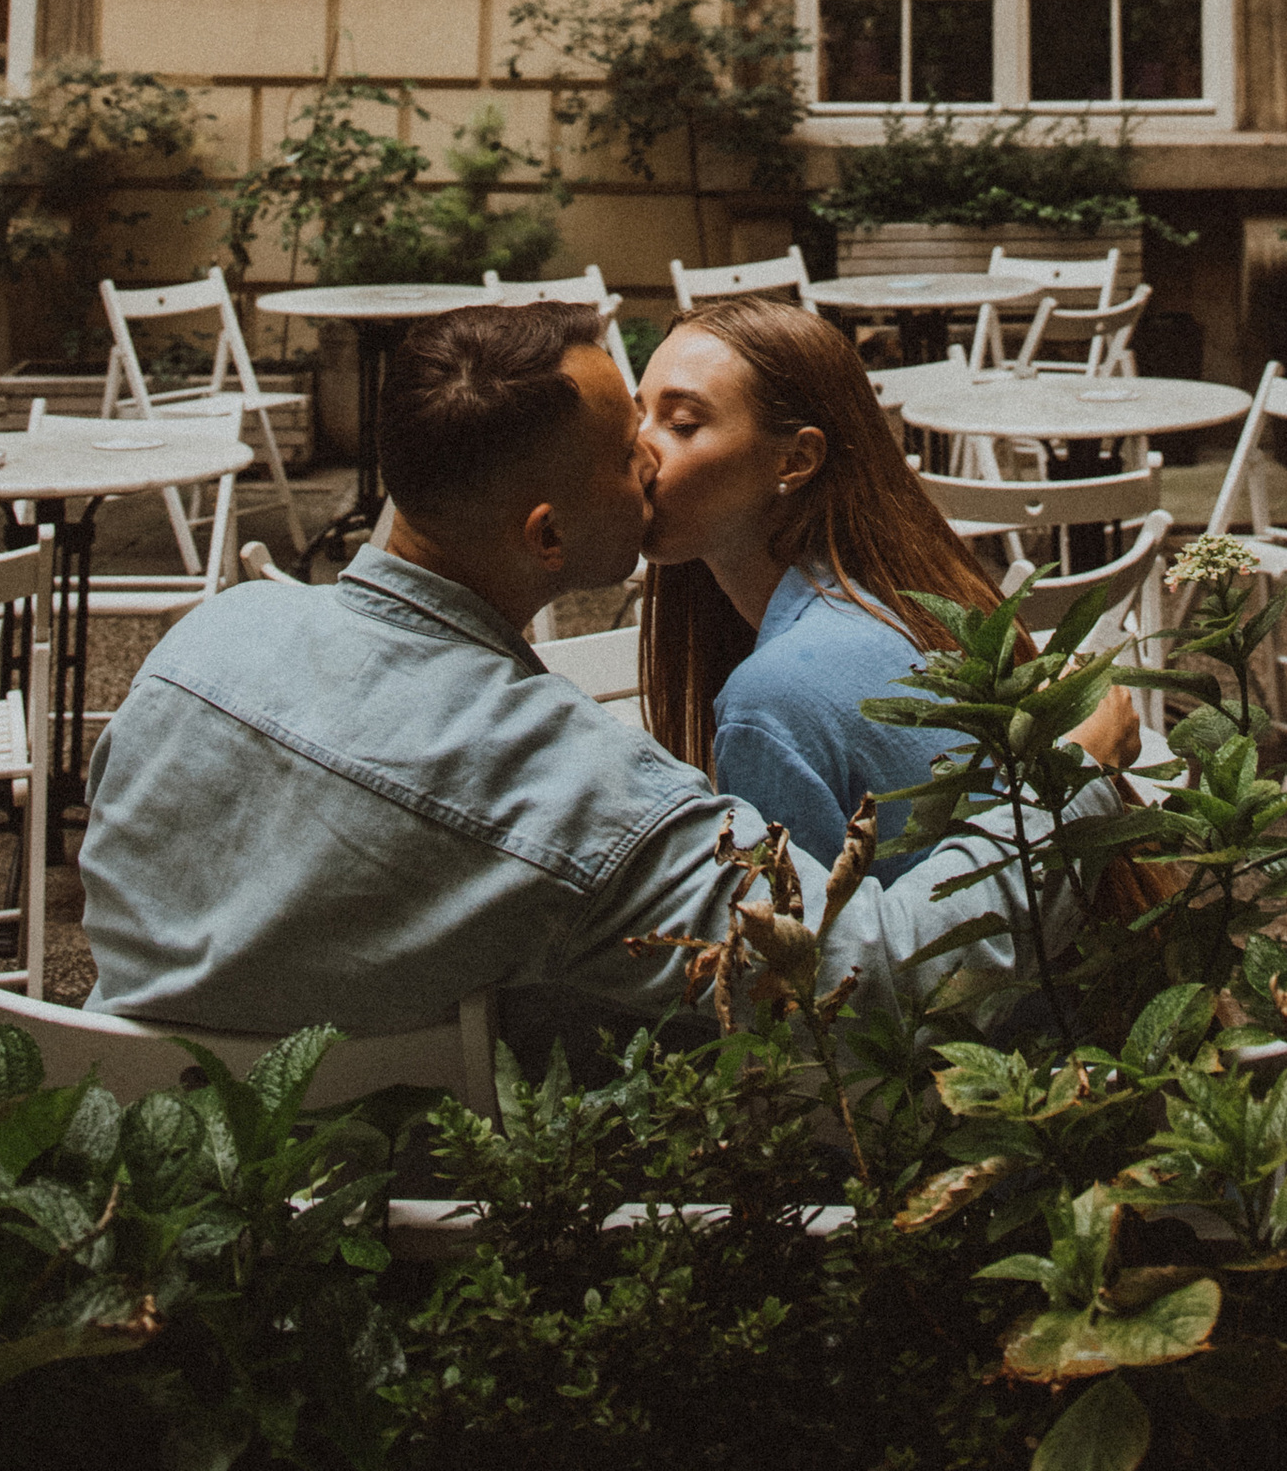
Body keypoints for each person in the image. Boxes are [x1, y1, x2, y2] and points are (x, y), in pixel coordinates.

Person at [78, 300, 1129, 1059]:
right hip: (417, 1236)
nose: (648, 465)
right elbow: (872, 978)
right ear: (547, 538)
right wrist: (1069, 778)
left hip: (160, 1192)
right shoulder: (580, 798)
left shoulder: (199, 644)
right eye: (628, 447)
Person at [639, 296, 1085, 873]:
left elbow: (814, 958)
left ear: (795, 459)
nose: (640, 454)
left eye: (681, 424)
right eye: (637, 419)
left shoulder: (769, 703)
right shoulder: (901, 595)